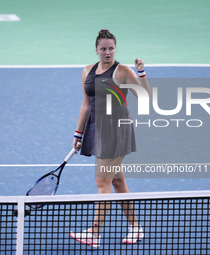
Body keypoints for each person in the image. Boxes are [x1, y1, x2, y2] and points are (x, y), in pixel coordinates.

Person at [69, 29, 151, 248]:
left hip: (116, 130)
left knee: (102, 181)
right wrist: (78, 133)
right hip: (97, 129)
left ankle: (94, 233)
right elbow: (86, 104)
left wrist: (141, 73)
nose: (107, 52)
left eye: (111, 48)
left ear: (115, 49)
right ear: (96, 50)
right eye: (103, 48)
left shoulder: (122, 70)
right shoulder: (87, 71)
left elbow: (145, 99)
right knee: (117, 181)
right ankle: (135, 227)